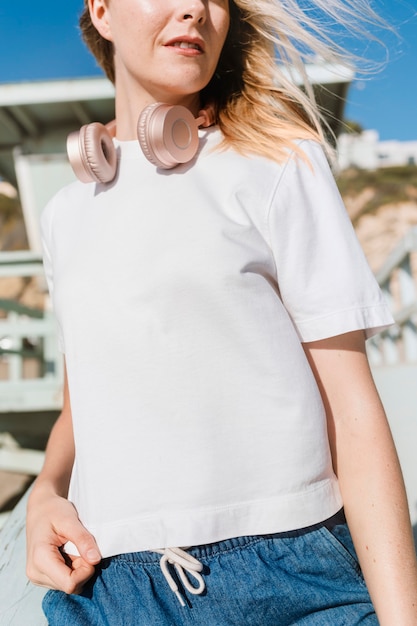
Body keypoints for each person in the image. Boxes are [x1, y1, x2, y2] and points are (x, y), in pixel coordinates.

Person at [26, 0, 417, 624]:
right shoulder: (64, 215)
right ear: (100, 10)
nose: (194, 10)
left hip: (292, 577)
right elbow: (84, 402)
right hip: (113, 587)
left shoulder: (277, 162)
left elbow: (353, 407)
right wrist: (44, 492)